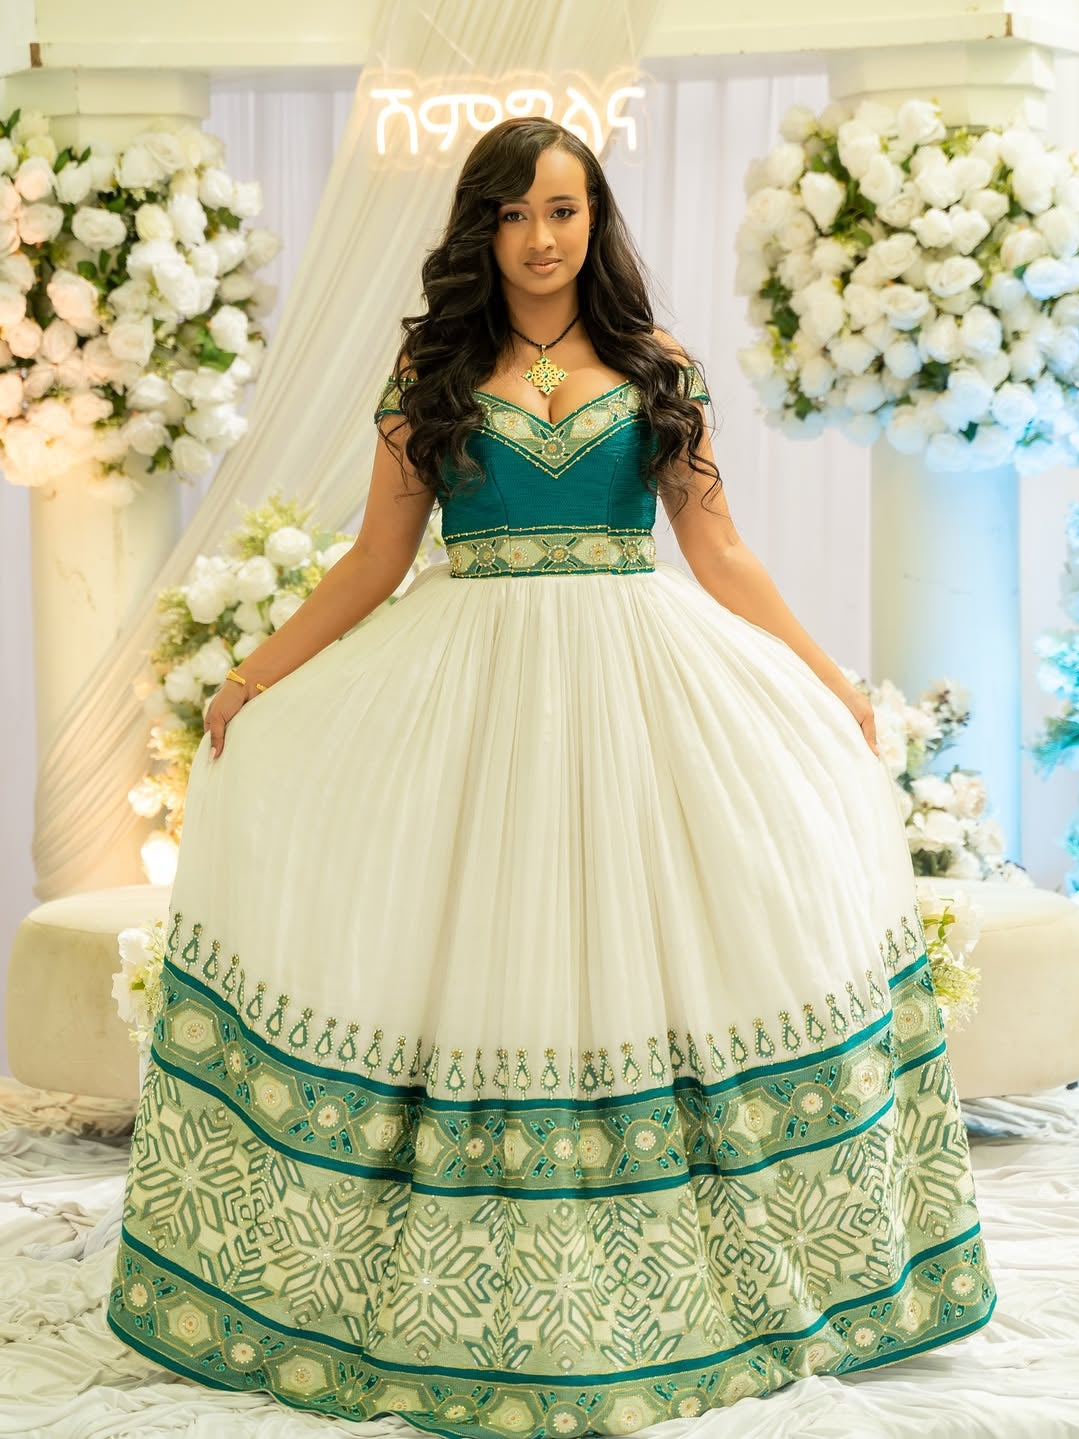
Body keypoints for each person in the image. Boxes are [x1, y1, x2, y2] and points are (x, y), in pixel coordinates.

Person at [106, 115, 996, 1436]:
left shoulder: (655, 365)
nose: (540, 239)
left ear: (597, 220)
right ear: (483, 229)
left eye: (564, 211)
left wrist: (828, 681)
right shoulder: (436, 366)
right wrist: (250, 680)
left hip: (641, 684)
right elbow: (373, 562)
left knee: (652, 949)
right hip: (474, 690)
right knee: (491, 959)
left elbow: (724, 551)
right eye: (516, 215)